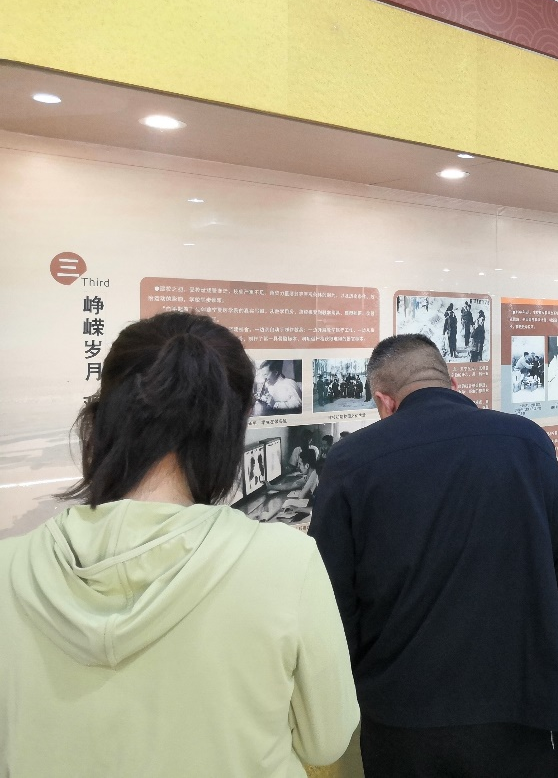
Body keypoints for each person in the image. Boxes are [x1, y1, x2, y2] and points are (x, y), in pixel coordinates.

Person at [0, 312, 358, 777]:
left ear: (99, 418)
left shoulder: (9, 568)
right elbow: (326, 739)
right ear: (231, 432)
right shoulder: (288, 563)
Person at [309, 333, 558, 778]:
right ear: (453, 383)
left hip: (406, 716)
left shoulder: (351, 461)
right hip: (524, 705)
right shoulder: (526, 442)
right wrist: (552, 649)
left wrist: (367, 679)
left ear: (384, 401)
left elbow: (332, 597)